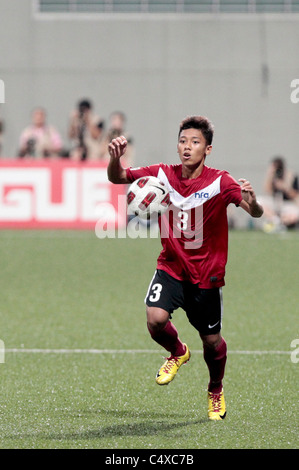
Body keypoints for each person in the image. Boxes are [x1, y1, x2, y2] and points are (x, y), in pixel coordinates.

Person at [107, 115, 263, 421]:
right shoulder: (162, 175)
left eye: (195, 142)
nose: (187, 147)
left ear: (208, 149)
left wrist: (253, 201)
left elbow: (254, 212)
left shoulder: (221, 181)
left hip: (207, 276)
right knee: (155, 319)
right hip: (172, 266)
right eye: (182, 141)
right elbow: (117, 177)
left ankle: (215, 388)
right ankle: (178, 351)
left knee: (212, 342)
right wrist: (114, 159)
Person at [262, 156, 299, 230]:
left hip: (287, 204)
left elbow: (295, 195)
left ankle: (281, 224)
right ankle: (276, 221)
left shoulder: (291, 176)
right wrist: (270, 175)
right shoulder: (273, 177)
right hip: (275, 202)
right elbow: (267, 191)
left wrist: (284, 186)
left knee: (295, 214)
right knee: (259, 202)